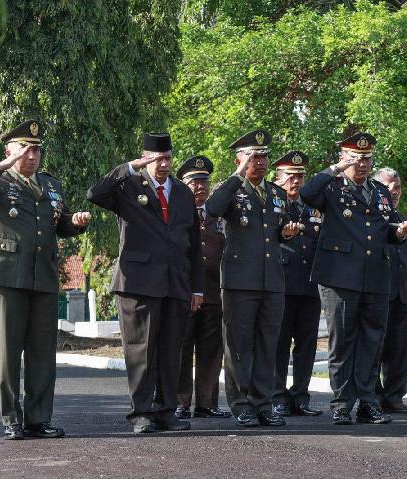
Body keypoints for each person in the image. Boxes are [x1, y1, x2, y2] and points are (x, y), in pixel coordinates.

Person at [0, 120, 91, 440]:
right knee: (7, 352)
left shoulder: (51, 185)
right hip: (7, 277)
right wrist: (1, 166)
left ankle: (37, 419)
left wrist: (77, 222)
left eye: (37, 149)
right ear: (9, 152)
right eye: (25, 149)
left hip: (43, 277)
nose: (32, 155)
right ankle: (11, 419)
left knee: (42, 354)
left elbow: (61, 225)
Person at [86, 132, 203, 433]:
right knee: (141, 350)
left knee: (170, 350)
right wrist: (128, 167)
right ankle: (141, 412)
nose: (163, 164)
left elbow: (194, 243)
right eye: (156, 158)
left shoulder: (181, 191)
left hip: (175, 282)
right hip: (137, 283)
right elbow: (95, 194)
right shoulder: (128, 186)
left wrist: (197, 287)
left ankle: (166, 411)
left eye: (167, 158)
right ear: (145, 158)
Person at [300, 132, 407, 426]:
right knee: (343, 342)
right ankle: (340, 403)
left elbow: (383, 228)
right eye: (355, 158)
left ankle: (367, 402)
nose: (361, 164)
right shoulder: (332, 188)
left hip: (375, 276)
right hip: (340, 276)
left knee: (371, 341)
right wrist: (336, 168)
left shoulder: (379, 191)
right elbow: (307, 194)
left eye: (366, 159)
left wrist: (398, 234)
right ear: (344, 159)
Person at [206, 129, 301, 427]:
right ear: (239, 160)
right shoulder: (230, 189)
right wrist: (236, 175)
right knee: (238, 345)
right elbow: (212, 209)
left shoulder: (275, 193)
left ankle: (262, 403)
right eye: (252, 157)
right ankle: (240, 403)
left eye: (263, 157)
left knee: (267, 344)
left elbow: (277, 228)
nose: (259, 162)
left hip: (271, 280)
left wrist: (286, 232)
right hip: (239, 281)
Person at [173, 155, 232, 420]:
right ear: (184, 185)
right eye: (194, 182)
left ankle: (207, 403)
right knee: (181, 349)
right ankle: (179, 402)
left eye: (204, 182)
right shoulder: (177, 212)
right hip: (184, 291)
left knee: (211, 351)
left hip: (214, 291)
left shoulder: (219, 214)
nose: (200, 187)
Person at [271, 150, 323, 417]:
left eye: (301, 176)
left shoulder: (313, 207)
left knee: (306, 345)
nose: (296, 181)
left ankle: (301, 396)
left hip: (310, 286)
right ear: (279, 177)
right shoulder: (272, 203)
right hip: (281, 284)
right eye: (291, 176)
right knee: (279, 344)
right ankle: (277, 396)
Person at [372, 167, 407, 414]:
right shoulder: (371, 217)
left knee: (399, 349)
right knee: (375, 348)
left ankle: (394, 396)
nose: (393, 191)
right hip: (378, 293)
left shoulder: (400, 216)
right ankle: (374, 397)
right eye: (388, 187)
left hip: (401, 293)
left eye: (397, 187)